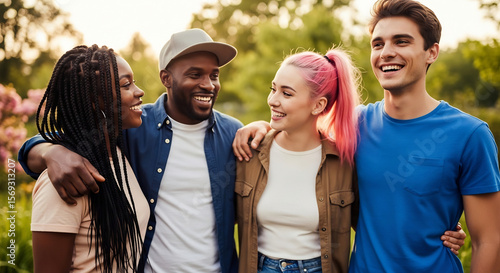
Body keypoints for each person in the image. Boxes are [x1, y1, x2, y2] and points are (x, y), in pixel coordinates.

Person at [233, 0, 500, 272]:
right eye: (378, 44)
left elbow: (488, 241)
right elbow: (302, 129)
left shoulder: (470, 135)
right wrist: (261, 127)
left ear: (431, 52)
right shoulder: (354, 125)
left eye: (401, 42)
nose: (386, 52)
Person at [19, 29, 242, 273]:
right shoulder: (132, 126)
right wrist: (50, 152)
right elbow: (71, 134)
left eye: (214, 75)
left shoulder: (233, 134)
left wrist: (264, 128)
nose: (208, 85)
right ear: (166, 78)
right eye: (195, 74)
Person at [236, 48, 360, 273]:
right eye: (273, 89)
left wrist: (440, 236)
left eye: (287, 93)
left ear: (318, 105)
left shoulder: (343, 163)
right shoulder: (249, 153)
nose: (273, 100)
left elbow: (373, 227)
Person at [30, 45, 149, 272]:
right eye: (126, 85)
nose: (139, 91)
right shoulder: (64, 181)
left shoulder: (118, 156)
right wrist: (49, 152)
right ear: (95, 102)